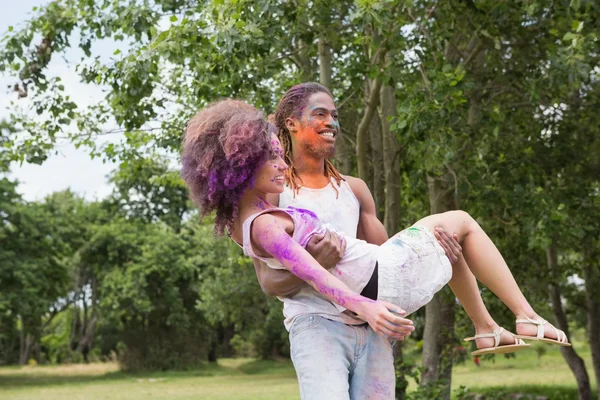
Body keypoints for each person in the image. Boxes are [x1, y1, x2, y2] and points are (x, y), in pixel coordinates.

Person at [181, 98, 570, 399]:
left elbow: (353, 255)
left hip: (382, 277)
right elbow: (307, 274)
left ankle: (488, 327)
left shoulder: (247, 219)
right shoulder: (265, 224)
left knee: (452, 236)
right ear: (242, 164)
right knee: (462, 221)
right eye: (270, 155)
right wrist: (366, 305)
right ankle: (521, 317)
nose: (281, 162)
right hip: (368, 293)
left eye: (279, 154)